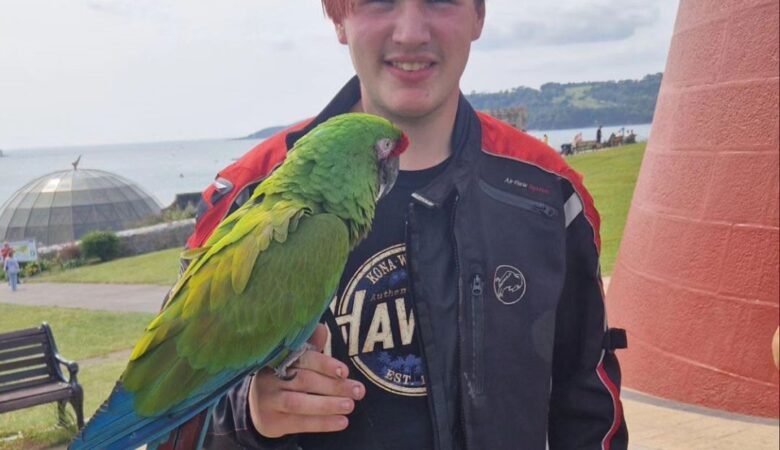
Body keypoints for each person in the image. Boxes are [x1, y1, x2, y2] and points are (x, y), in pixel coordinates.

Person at [178, 1, 628, 448]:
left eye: (440, 0)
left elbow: (588, 404)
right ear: (338, 17)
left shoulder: (548, 192)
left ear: (479, 16)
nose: (411, 32)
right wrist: (250, 416)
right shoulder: (247, 198)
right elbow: (179, 424)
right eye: (380, 1)